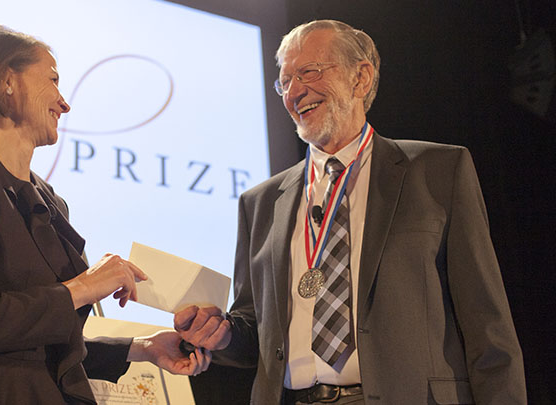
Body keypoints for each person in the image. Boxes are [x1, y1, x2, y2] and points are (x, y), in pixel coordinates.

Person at [175, 19, 526, 404]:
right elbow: (254, 331)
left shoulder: (438, 171)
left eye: (309, 72)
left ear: (361, 78)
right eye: (285, 81)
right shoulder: (261, 203)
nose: (295, 91)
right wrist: (220, 333)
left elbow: (487, 328)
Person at [0, 24, 209, 405]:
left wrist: (144, 347)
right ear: (5, 81)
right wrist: (84, 287)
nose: (65, 103)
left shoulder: (50, 201)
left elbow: (40, 342)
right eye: (52, 79)